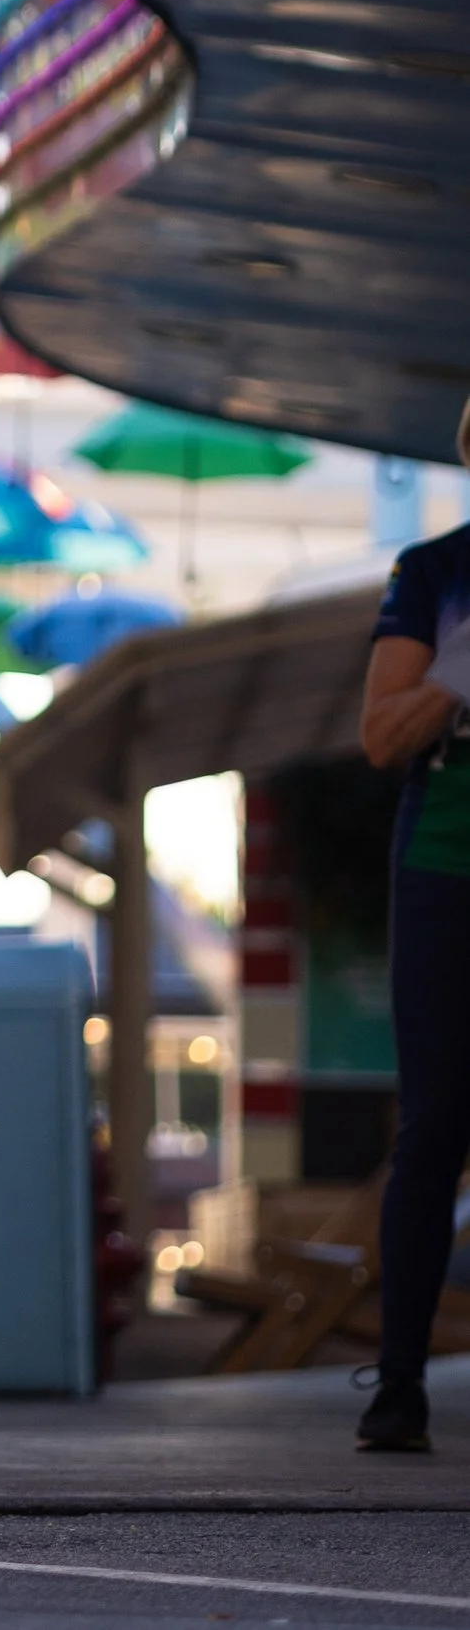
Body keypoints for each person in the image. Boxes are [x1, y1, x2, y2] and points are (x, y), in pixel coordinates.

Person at [357, 460, 470, 1452]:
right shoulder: (433, 571)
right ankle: (398, 1385)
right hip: (446, 863)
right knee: (433, 1124)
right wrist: (458, 672)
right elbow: (380, 735)